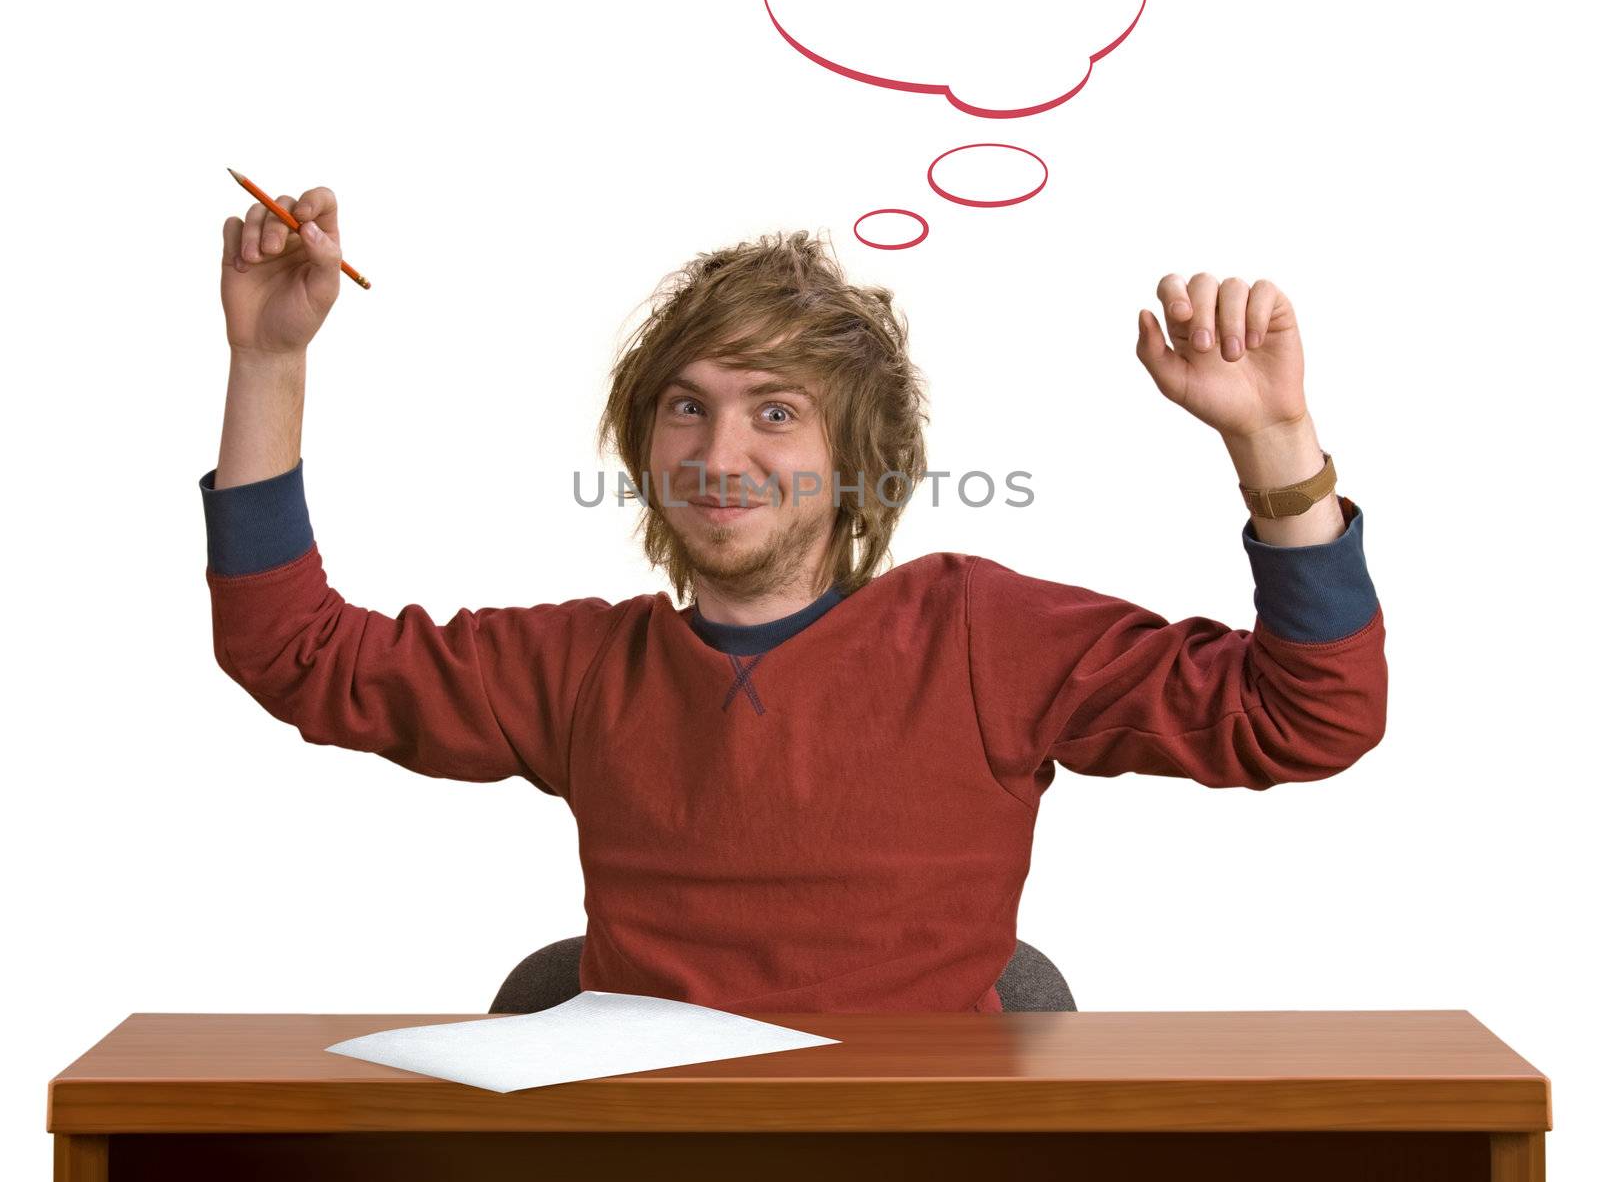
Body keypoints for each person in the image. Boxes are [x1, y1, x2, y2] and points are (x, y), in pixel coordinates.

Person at [200, 187, 1385, 1015]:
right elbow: (292, 649)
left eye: (776, 412)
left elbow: (1309, 717)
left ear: (856, 458)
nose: (720, 450)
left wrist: (1274, 439)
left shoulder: (978, 635)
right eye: (685, 406)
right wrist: (269, 361)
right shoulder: (580, 667)